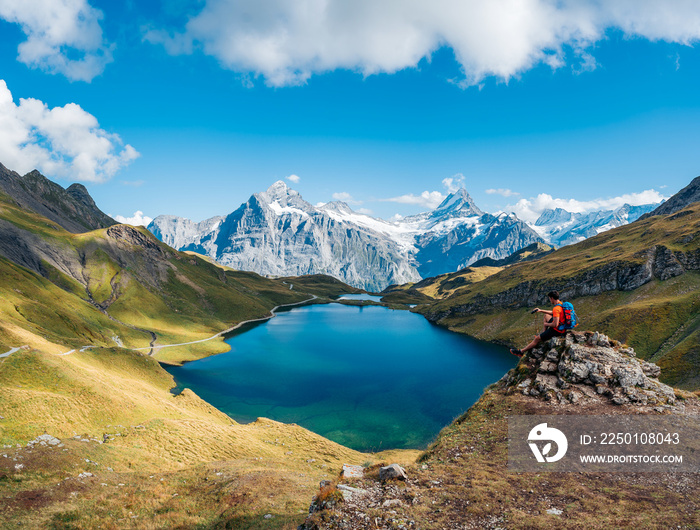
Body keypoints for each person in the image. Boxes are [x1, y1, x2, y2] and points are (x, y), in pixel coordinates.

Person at [510, 290, 565, 358]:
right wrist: (541, 310)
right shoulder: (561, 304)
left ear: (552, 298)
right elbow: (553, 313)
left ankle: (521, 352)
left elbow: (555, 324)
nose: (550, 300)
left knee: (536, 339)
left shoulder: (556, 308)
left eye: (549, 299)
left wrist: (546, 324)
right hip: (562, 326)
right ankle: (543, 335)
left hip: (557, 330)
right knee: (546, 315)